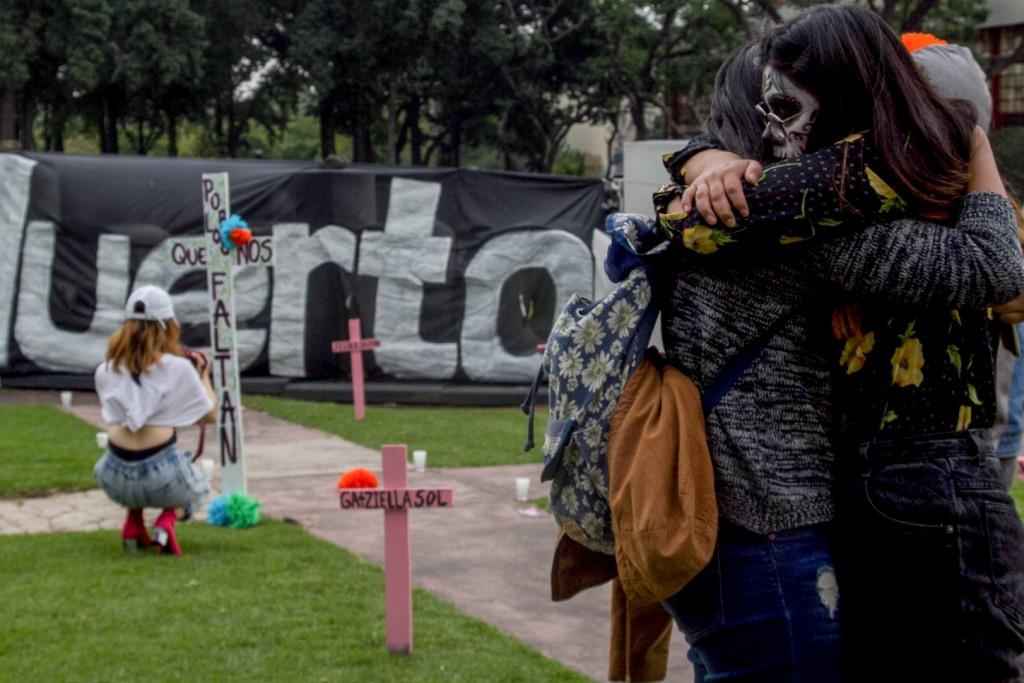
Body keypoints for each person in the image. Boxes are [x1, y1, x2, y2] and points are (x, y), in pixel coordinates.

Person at [645, 7, 1024, 681]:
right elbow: (996, 266)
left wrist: (698, 161)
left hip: (817, 500)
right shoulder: (788, 212)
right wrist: (971, 142)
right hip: (854, 497)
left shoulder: (807, 206)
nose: (778, 131)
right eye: (765, 110)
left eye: (787, 107)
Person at [93, 285, 216, 556]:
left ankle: (133, 524)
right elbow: (209, 414)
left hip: (112, 475)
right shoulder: (179, 368)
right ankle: (166, 521)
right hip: (163, 475)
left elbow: (124, 411)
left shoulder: (105, 370)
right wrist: (203, 375)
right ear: (167, 326)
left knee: (133, 465)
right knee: (200, 485)